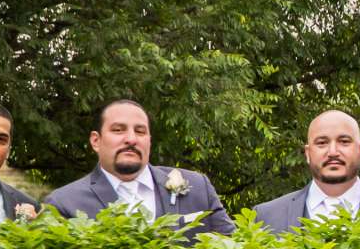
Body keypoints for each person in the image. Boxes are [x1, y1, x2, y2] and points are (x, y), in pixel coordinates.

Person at [45, 99, 236, 236]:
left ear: (149, 141)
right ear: (96, 141)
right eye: (118, 130)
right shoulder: (64, 203)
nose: (131, 139)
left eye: (140, 131)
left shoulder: (198, 187)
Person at [249, 110, 360, 233]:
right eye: (322, 143)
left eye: (344, 141)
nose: (333, 152)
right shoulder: (266, 217)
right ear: (308, 153)